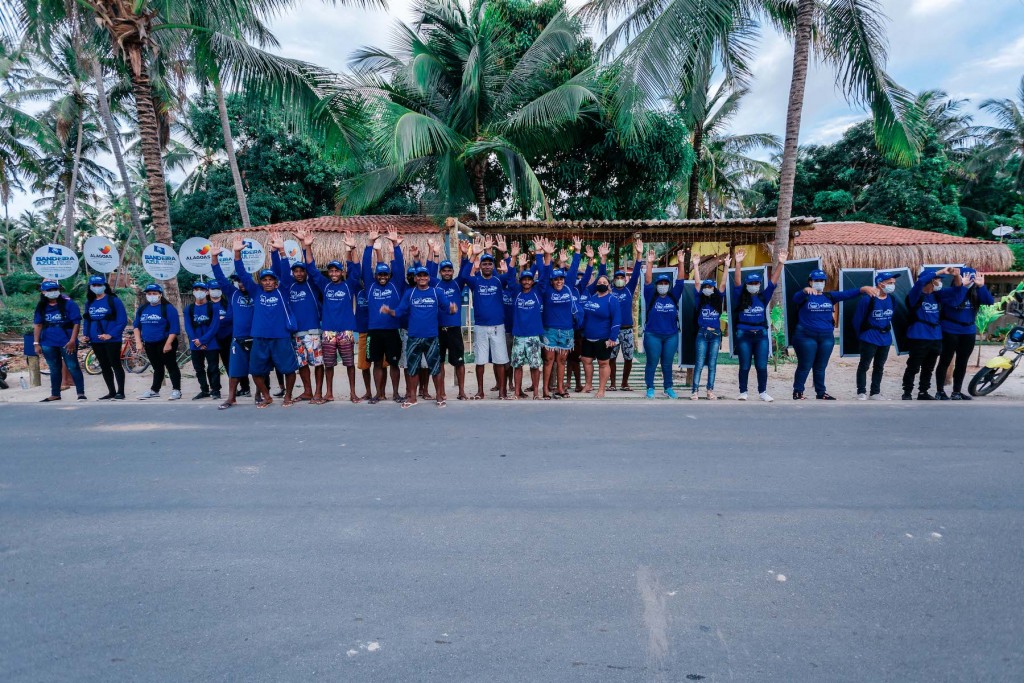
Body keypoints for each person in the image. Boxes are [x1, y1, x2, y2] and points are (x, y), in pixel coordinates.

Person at [790, 269, 877, 400]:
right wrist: (804, 290)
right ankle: (798, 392)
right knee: (805, 365)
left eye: (822, 280)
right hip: (805, 336)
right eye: (816, 280)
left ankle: (821, 393)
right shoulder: (805, 296)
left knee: (820, 367)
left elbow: (847, 294)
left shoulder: (829, 296)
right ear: (810, 282)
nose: (819, 283)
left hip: (826, 337)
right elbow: (795, 298)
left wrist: (862, 289)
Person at [381, 266, 456, 407]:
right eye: (419, 276)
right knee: (412, 368)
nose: (422, 278)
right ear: (415, 278)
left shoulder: (436, 292)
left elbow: (447, 309)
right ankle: (412, 398)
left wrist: (452, 309)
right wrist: (389, 311)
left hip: (432, 337)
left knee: (435, 369)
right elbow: (399, 311)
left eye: (425, 275)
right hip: (413, 337)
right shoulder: (410, 293)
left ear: (429, 277)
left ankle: (439, 397)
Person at [303, 231, 363, 403]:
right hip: (328, 332)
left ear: (341, 271)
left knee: (350, 364)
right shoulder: (325, 285)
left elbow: (356, 271)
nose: (334, 273)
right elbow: (312, 270)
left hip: (346, 331)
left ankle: (352, 393)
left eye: (337, 270)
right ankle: (329, 393)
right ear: (328, 272)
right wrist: (307, 246)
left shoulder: (348, 285)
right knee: (328, 364)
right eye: (331, 270)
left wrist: (352, 248)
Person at [271, 230, 325, 404]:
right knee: (301, 364)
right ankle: (307, 391)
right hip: (295, 333)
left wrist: (305, 245)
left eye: (302, 271)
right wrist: (278, 251)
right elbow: (280, 270)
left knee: (317, 363)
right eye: (296, 271)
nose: (300, 273)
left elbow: (312, 266)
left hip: (313, 331)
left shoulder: (313, 283)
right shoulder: (288, 286)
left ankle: (318, 393)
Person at [731, 249, 786, 401]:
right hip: (744, 335)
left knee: (761, 365)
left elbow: (773, 282)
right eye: (751, 283)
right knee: (744, 365)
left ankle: (763, 392)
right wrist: (738, 262)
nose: (754, 285)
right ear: (747, 285)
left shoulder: (763, 296)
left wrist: (780, 263)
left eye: (756, 283)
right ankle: (743, 392)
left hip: (761, 335)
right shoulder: (740, 296)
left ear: (759, 284)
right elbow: (736, 282)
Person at [461, 238, 511, 399]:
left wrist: (506, 254)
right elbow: (463, 275)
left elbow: (510, 274)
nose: (487, 266)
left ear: (492, 266)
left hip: (498, 326)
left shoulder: (498, 280)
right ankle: (480, 390)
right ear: (480, 266)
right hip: (481, 326)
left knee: (501, 359)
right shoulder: (475, 281)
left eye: (490, 264)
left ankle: (502, 391)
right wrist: (473, 255)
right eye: (484, 264)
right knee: (480, 361)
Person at [362, 228, 406, 404]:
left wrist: (395, 244)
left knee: (394, 364)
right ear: (375, 275)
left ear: (389, 275)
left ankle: (395, 393)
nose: (382, 277)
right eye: (379, 274)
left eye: (385, 274)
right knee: (377, 363)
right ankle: (378, 394)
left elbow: (399, 267)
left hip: (392, 331)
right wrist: (370, 244)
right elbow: (365, 266)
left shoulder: (396, 284)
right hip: (374, 331)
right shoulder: (370, 286)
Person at [211, 249, 259, 409]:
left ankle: (259, 395)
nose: (241, 283)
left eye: (243, 280)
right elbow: (220, 278)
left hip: (256, 337)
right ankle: (231, 398)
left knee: (259, 369)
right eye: (238, 281)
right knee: (234, 370)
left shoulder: (256, 293)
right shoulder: (233, 293)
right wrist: (214, 257)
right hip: (238, 338)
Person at [935, 268, 993, 400]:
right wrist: (962, 287)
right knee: (945, 360)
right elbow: (956, 301)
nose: (970, 280)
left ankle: (956, 392)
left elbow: (989, 301)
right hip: (950, 330)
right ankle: (940, 391)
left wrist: (981, 286)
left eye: (972, 278)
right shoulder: (949, 292)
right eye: (966, 277)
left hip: (968, 331)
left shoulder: (975, 292)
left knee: (962, 362)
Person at [902, 267, 959, 400]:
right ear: (931, 281)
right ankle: (907, 392)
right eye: (938, 280)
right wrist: (939, 272)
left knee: (928, 367)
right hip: (918, 336)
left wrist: (957, 277)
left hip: (936, 337)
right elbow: (920, 282)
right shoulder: (915, 295)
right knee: (913, 367)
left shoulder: (937, 296)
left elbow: (956, 291)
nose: (940, 283)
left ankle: (923, 392)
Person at [538, 244, 583, 400]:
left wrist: (577, 251)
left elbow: (574, 269)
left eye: (561, 279)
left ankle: (560, 388)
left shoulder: (569, 288)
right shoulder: (546, 290)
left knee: (562, 360)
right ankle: (545, 389)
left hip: (566, 330)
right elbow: (544, 273)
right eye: (556, 279)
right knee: (549, 360)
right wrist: (546, 255)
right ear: (552, 281)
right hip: (549, 330)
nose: (559, 281)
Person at [640, 248, 687, 399]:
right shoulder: (650, 296)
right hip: (652, 335)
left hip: (671, 336)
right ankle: (650, 387)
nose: (663, 285)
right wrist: (650, 263)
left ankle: (668, 387)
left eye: (666, 283)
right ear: (657, 284)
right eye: (660, 283)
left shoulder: (673, 296)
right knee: (652, 362)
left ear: (668, 285)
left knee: (667, 364)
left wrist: (681, 262)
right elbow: (647, 280)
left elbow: (680, 281)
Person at [600, 240, 643, 391]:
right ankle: (612, 383)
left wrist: (639, 254)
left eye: (621, 277)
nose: (619, 280)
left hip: (627, 330)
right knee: (611, 357)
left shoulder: (629, 289)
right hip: (613, 331)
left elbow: (637, 273)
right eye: (617, 277)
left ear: (625, 279)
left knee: (628, 357)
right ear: (614, 280)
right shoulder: (609, 290)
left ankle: (624, 382)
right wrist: (603, 259)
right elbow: (602, 275)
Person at [429, 240, 469, 401]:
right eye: (444, 270)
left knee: (459, 362)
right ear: (441, 272)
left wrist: (465, 254)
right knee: (439, 362)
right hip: (438, 329)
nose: (446, 272)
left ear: (452, 271)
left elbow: (465, 272)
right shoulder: (434, 283)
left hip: (454, 329)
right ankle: (441, 391)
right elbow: (429, 270)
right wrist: (435, 253)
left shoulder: (458, 283)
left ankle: (461, 391)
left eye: (449, 270)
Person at [33, 281, 86, 402]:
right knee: (54, 368)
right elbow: (38, 325)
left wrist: (72, 340)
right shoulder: (41, 306)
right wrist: (36, 343)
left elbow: (76, 323)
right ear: (43, 292)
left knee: (73, 366)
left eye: (54, 289)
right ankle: (55, 394)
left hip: (66, 341)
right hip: (48, 341)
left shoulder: (69, 304)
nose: (52, 292)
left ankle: (81, 393)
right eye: (49, 290)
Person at [506, 247, 546, 400]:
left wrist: (539, 254)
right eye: (524, 279)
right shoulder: (516, 292)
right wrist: (513, 258)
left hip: (534, 336)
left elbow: (543, 276)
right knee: (517, 365)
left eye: (529, 279)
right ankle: (517, 392)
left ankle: (536, 393)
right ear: (521, 280)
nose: (527, 281)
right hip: (519, 336)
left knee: (535, 366)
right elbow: (510, 277)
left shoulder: (538, 292)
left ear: (532, 281)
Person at [852, 271, 899, 400]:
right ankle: (861, 391)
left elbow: (890, 316)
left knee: (879, 366)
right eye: (890, 283)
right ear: (880, 283)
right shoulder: (867, 299)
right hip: (869, 337)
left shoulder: (893, 299)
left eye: (894, 283)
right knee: (864, 365)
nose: (892, 285)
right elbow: (857, 320)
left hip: (885, 338)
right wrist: (861, 335)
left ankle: (875, 392)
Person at [81, 275, 127, 400]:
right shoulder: (89, 303)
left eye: (99, 285)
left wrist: (110, 334)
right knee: (104, 365)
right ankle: (111, 391)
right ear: (90, 287)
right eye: (94, 285)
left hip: (112, 339)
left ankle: (120, 392)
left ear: (104, 286)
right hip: (95, 339)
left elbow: (122, 321)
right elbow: (87, 320)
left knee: (115, 364)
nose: (97, 288)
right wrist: (85, 335)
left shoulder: (113, 300)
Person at [133, 283, 182, 400]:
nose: (151, 296)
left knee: (171, 366)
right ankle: (155, 390)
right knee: (157, 367)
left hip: (165, 341)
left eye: (154, 293)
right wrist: (138, 342)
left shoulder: (168, 308)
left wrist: (168, 343)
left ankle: (176, 390)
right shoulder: (143, 308)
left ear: (160, 294)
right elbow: (136, 326)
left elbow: (174, 328)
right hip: (149, 342)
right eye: (149, 294)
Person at [692, 260, 729, 400]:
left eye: (710, 286)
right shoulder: (699, 299)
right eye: (706, 286)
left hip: (715, 334)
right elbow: (696, 283)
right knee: (699, 363)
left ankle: (710, 391)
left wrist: (726, 266)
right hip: (702, 333)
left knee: (712, 364)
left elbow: (723, 284)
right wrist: (695, 265)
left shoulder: (718, 300)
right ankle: (695, 391)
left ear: (713, 288)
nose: (708, 288)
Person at [580, 273, 622, 398]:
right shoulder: (592, 297)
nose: (601, 284)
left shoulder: (612, 300)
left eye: (604, 283)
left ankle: (601, 389)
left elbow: (617, 320)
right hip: (588, 336)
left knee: (603, 363)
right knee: (586, 360)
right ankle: (588, 385)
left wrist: (612, 338)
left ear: (609, 285)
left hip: (603, 338)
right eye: (599, 283)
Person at [184, 281, 222, 400]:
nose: (199, 292)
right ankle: (204, 390)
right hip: (195, 344)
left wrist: (203, 341)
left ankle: (215, 390)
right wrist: (197, 341)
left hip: (211, 343)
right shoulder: (188, 309)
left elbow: (215, 326)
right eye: (196, 290)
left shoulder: (213, 307)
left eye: (201, 290)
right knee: (199, 368)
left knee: (213, 368)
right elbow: (188, 327)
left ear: (206, 292)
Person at [208, 278, 244, 397]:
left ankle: (243, 388)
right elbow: (205, 322)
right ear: (208, 291)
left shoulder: (228, 302)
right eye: (213, 289)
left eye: (218, 289)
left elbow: (230, 318)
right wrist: (218, 321)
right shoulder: (206, 305)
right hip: (211, 338)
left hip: (227, 337)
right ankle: (215, 390)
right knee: (212, 366)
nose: (215, 291)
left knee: (231, 364)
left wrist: (214, 322)